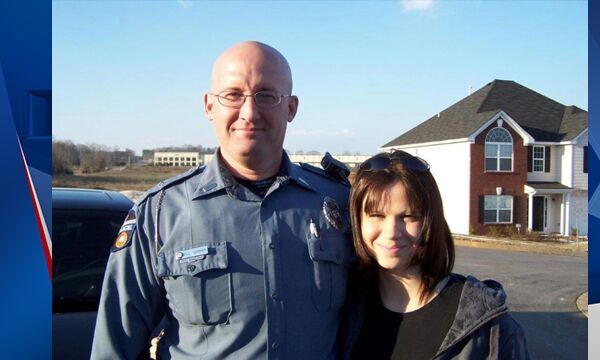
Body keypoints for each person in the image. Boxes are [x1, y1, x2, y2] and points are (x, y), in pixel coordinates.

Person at [91, 41, 354, 359]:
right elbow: (114, 347)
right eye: (233, 95)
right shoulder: (159, 213)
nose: (249, 112)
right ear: (208, 105)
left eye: (267, 96)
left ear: (291, 108)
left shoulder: (339, 203)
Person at [341, 150, 529, 359]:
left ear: (430, 220)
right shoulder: (341, 314)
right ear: (358, 221)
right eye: (376, 215)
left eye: (409, 216)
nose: (391, 232)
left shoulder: (488, 328)